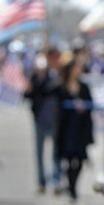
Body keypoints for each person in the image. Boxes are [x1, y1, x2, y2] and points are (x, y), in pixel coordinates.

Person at [23, 47, 62, 194]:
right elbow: (31, 94)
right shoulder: (39, 75)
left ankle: (56, 179)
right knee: (39, 151)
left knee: (56, 151)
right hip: (40, 117)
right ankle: (41, 181)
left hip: (57, 118)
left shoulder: (61, 74)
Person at [56, 57, 94, 203]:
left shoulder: (84, 88)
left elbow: (91, 104)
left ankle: (73, 187)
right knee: (68, 159)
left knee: (79, 159)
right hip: (67, 128)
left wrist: (83, 107)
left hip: (80, 128)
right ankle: (70, 186)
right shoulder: (62, 87)